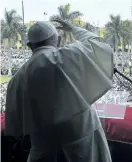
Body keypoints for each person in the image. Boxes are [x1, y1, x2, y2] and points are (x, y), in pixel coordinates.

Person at [5, 19, 113, 162]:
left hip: (43, 149)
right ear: (59, 41)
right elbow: (99, 45)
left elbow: (15, 129)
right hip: (84, 145)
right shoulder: (68, 56)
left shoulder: (16, 80)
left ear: (30, 45)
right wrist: (74, 29)